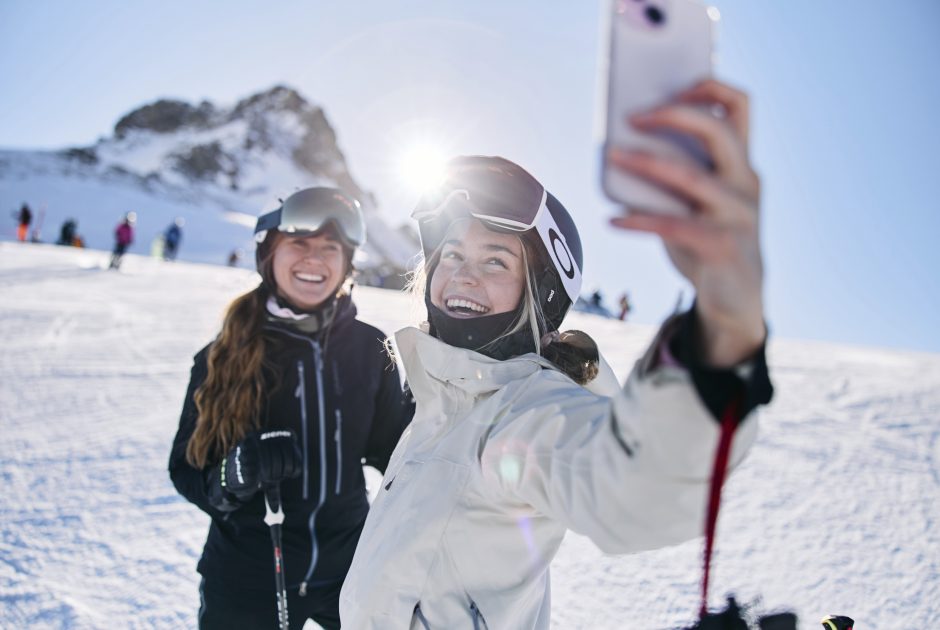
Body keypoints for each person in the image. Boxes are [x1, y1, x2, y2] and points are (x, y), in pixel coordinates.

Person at [339, 79, 773, 629]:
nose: (463, 274)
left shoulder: (522, 412)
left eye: (496, 261)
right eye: (452, 255)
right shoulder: (440, 403)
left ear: (539, 293)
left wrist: (725, 326)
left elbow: (631, 482)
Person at [169, 187, 412, 630]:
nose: (314, 259)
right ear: (269, 255)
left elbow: (397, 449)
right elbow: (187, 470)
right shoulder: (219, 357)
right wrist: (233, 475)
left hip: (351, 571)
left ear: (346, 263)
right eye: (299, 244)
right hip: (248, 578)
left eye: (330, 248)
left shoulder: (369, 348)